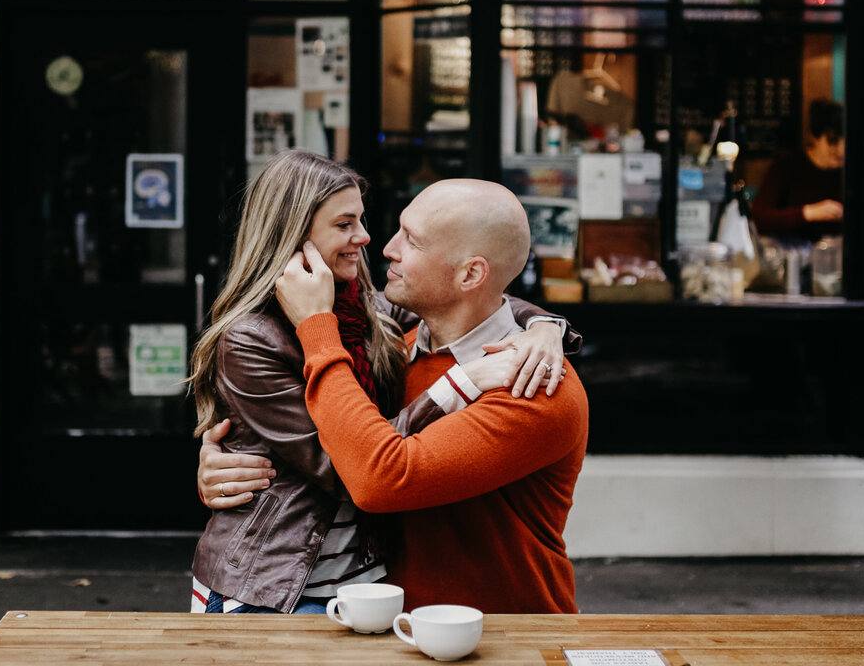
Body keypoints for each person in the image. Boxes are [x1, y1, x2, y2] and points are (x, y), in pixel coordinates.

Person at [188, 150, 578, 615]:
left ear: (470, 273)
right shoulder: (393, 342)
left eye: (410, 240)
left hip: (495, 627)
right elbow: (348, 465)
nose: (379, 244)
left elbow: (375, 475)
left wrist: (546, 327)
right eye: (345, 224)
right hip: (297, 592)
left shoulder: (522, 377)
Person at [752, 99, 864, 244]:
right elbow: (759, 219)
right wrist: (808, 213)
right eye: (832, 141)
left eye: (846, 142)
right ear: (815, 137)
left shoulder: (858, 171)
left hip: (842, 261)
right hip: (795, 261)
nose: (840, 150)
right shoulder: (786, 166)